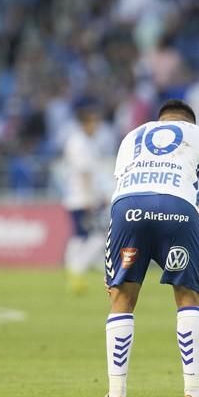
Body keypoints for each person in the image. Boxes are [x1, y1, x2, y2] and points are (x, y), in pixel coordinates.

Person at [98, 99, 199, 397]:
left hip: (128, 209)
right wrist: (194, 244)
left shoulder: (133, 136)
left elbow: (123, 184)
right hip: (178, 210)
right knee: (189, 299)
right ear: (190, 123)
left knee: (121, 299)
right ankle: (193, 395)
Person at [61, 99, 115, 294]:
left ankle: (72, 271)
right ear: (84, 123)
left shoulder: (85, 142)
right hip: (81, 198)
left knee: (80, 235)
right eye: (93, 122)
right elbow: (84, 173)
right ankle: (76, 271)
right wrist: (90, 199)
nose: (97, 126)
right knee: (94, 236)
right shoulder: (79, 143)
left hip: (79, 197)